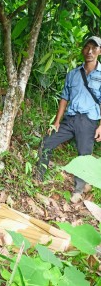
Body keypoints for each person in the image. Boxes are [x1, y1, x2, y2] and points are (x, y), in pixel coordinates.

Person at [37, 36, 101, 203]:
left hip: (88, 121)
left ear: (100, 51)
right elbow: (64, 98)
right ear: (82, 50)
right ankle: (39, 177)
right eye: (87, 47)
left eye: (94, 48)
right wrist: (57, 122)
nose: (90, 51)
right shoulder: (73, 74)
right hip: (70, 119)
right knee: (46, 143)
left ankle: (78, 190)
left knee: (83, 157)